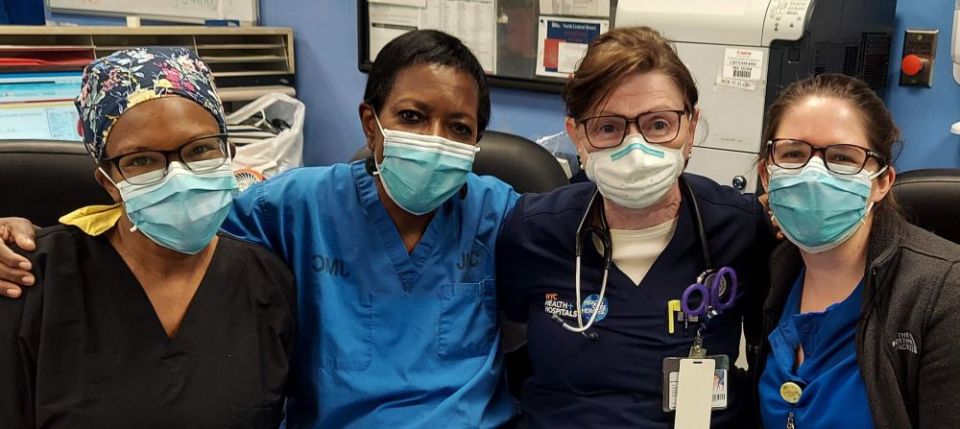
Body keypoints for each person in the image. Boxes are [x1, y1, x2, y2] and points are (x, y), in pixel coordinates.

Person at [0, 30, 519, 428]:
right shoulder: (297, 206)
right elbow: (169, 226)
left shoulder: (500, 214)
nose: (432, 141)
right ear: (370, 122)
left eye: (458, 129)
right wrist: (25, 231)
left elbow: (576, 241)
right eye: (410, 116)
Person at [0, 47, 296, 427]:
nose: (179, 176)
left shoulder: (269, 284)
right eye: (142, 160)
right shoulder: (29, 279)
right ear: (109, 183)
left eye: (200, 149)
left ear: (229, 154)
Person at [495, 26, 776, 427]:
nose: (636, 148)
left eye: (659, 125)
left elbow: (772, 357)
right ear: (578, 135)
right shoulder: (534, 230)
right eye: (608, 128)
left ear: (691, 128)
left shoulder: (739, 227)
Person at [754, 73, 960, 428]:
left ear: (882, 181)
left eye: (843, 157)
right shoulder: (773, 272)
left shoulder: (943, 293)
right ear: (767, 175)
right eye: (793, 153)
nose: (814, 173)